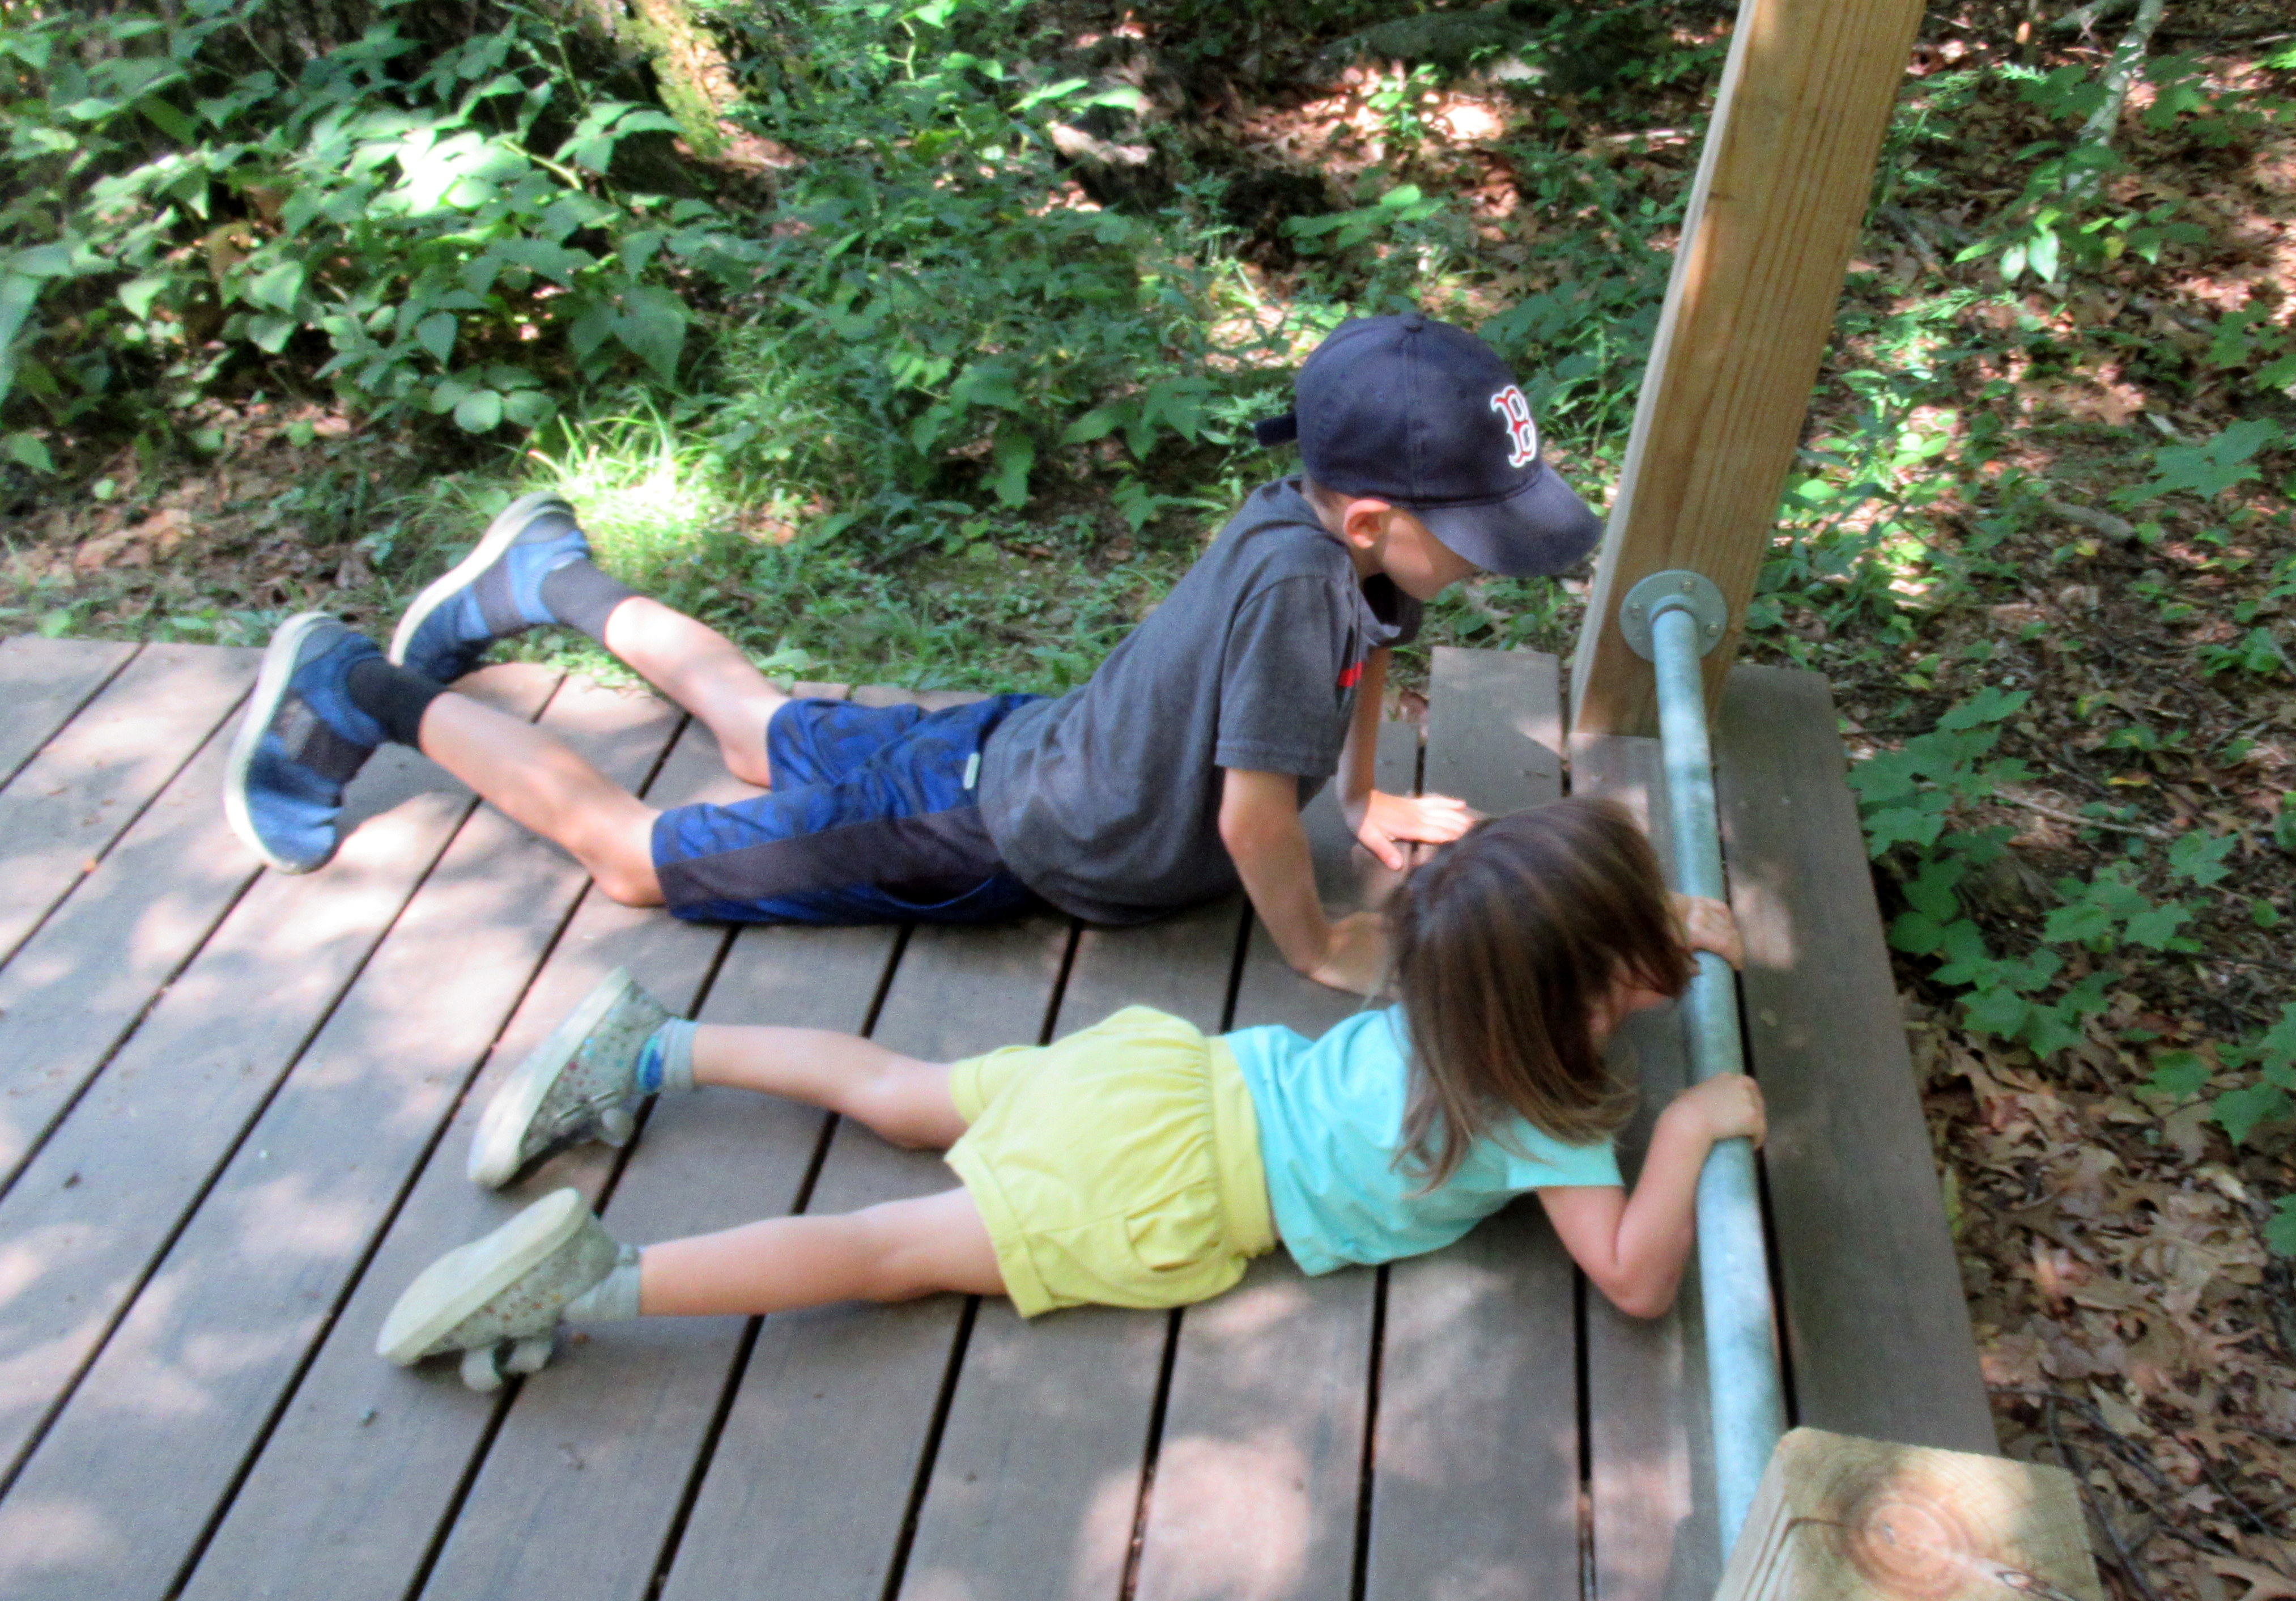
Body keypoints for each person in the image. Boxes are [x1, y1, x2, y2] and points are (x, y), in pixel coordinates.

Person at [223, 315, 1605, 994]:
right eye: (1476, 535)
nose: (1488, 560)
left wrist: (1360, 801)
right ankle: (352, 683)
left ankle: (542, 575)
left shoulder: (1337, 544)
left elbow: (1371, 659)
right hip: (997, 833)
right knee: (636, 861)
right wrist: (1312, 946)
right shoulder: (1306, 590)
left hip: (1020, 746)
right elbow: (1250, 820)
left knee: (757, 726)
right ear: (1370, 518)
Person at [377, 796, 1764, 1392]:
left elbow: (1539, 935)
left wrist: (1658, 929)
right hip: (1165, 1187)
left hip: (1163, 1081)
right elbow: (1632, 1279)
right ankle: (599, 1280)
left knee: (906, 1090)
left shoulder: (1462, 973)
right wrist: (1691, 1127)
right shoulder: (1535, 1116)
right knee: (886, 1250)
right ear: (1586, 989)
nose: (1667, 949)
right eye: (1642, 944)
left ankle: (655, 1046)